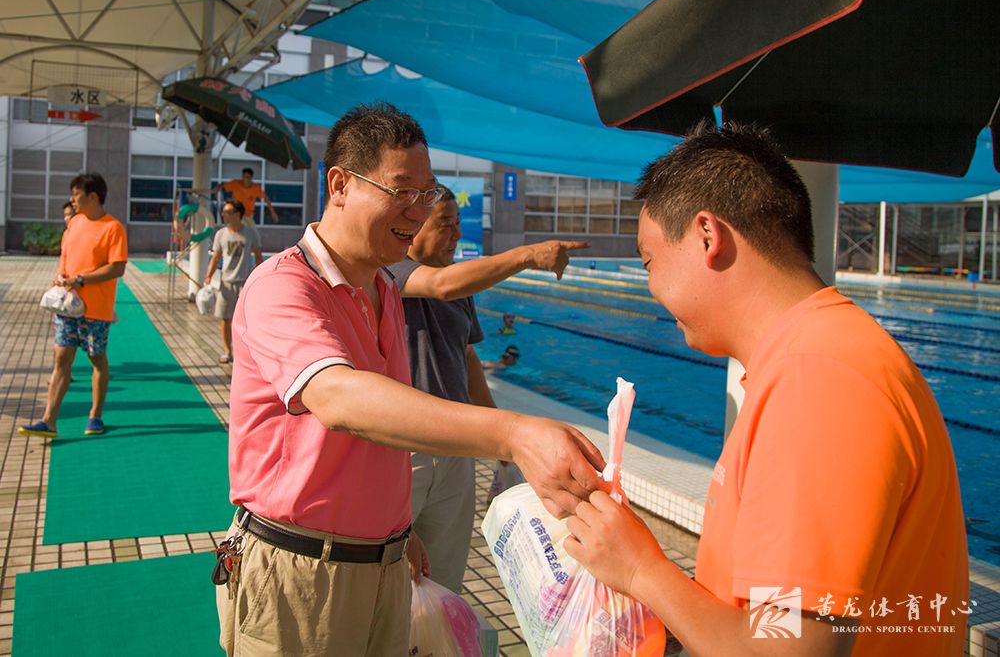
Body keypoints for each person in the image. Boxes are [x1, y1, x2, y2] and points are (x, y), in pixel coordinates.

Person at [216, 102, 608, 656]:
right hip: (302, 570)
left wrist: (400, 529)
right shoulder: (281, 287)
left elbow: (375, 440)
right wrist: (513, 432)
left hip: (383, 559)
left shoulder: (384, 293)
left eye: (428, 194)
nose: (418, 211)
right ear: (340, 185)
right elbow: (339, 398)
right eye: (402, 190)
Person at [564, 122, 969, 656]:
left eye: (650, 262)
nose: (651, 286)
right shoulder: (814, 358)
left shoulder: (819, 379)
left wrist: (641, 571)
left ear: (708, 236)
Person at [389, 188, 586, 593]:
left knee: (444, 575)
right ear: (414, 226)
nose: (456, 234)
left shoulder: (462, 288)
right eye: (445, 224)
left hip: (455, 451)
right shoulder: (391, 271)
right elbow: (440, 285)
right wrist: (528, 255)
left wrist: (498, 441)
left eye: (458, 223)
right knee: (392, 577)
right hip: (402, 452)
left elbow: (467, 360)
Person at [19, 173, 128, 438]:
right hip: (68, 308)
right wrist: (60, 275)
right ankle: (49, 420)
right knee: (61, 359)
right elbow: (64, 257)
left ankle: (95, 415)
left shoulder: (113, 228)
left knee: (97, 360)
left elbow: (117, 267)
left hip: (96, 310)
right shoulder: (75, 223)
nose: (72, 200)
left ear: (93, 196)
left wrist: (81, 279)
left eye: (76, 194)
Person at [203, 200, 262, 364]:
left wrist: (259, 278)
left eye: (228, 211)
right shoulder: (221, 234)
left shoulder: (251, 233)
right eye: (224, 211)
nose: (224, 214)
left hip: (245, 283)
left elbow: (258, 255)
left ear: (237, 214)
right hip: (225, 283)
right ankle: (228, 351)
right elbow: (216, 257)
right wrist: (209, 275)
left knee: (247, 320)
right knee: (225, 318)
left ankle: (246, 353)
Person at [211, 167, 278, 226]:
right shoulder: (235, 184)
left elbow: (266, 199)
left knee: (253, 236)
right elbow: (223, 185)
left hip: (248, 216)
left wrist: (273, 212)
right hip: (236, 214)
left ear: (250, 178)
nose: (245, 179)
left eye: (247, 177)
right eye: (243, 177)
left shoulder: (256, 188)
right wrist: (217, 188)